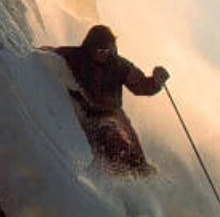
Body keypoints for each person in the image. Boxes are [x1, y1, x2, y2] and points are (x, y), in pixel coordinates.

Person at [50, 24, 170, 176]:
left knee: (136, 158)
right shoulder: (76, 57)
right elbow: (51, 54)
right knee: (113, 141)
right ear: (90, 47)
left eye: (108, 49)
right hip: (88, 114)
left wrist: (155, 82)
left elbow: (141, 85)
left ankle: (144, 180)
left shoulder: (119, 65)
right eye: (100, 50)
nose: (104, 53)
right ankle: (118, 181)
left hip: (115, 114)